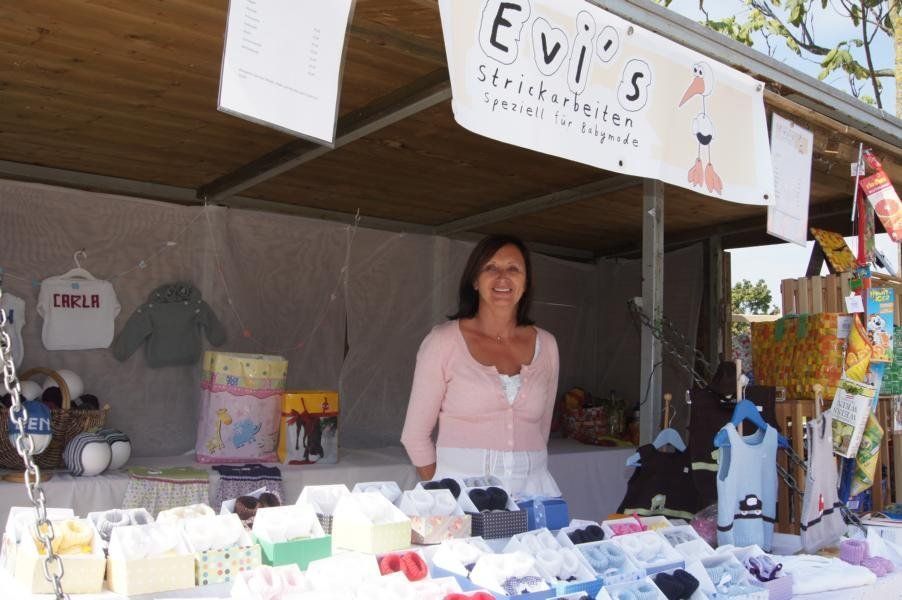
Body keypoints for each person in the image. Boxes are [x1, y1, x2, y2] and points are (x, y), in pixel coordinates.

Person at [400, 235, 561, 497]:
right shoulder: (443, 341)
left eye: (513, 269)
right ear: (475, 280)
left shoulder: (548, 345)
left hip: (535, 494)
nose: (502, 278)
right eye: (490, 268)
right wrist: (445, 495)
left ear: (526, 282)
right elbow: (414, 436)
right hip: (463, 496)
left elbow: (541, 431)